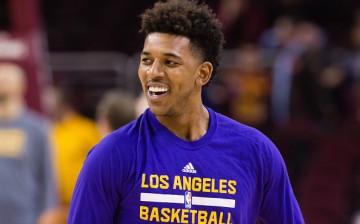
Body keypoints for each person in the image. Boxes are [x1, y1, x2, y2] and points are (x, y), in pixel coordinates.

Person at [68, 0, 304, 223]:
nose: (154, 72)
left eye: (170, 62)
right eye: (147, 60)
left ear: (203, 74)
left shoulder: (256, 152)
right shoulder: (110, 155)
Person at [0, 61, 56, 223]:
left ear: (21, 86)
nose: (2, 84)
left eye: (7, 80)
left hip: (25, 216)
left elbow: (47, 175)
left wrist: (47, 213)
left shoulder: (37, 129)